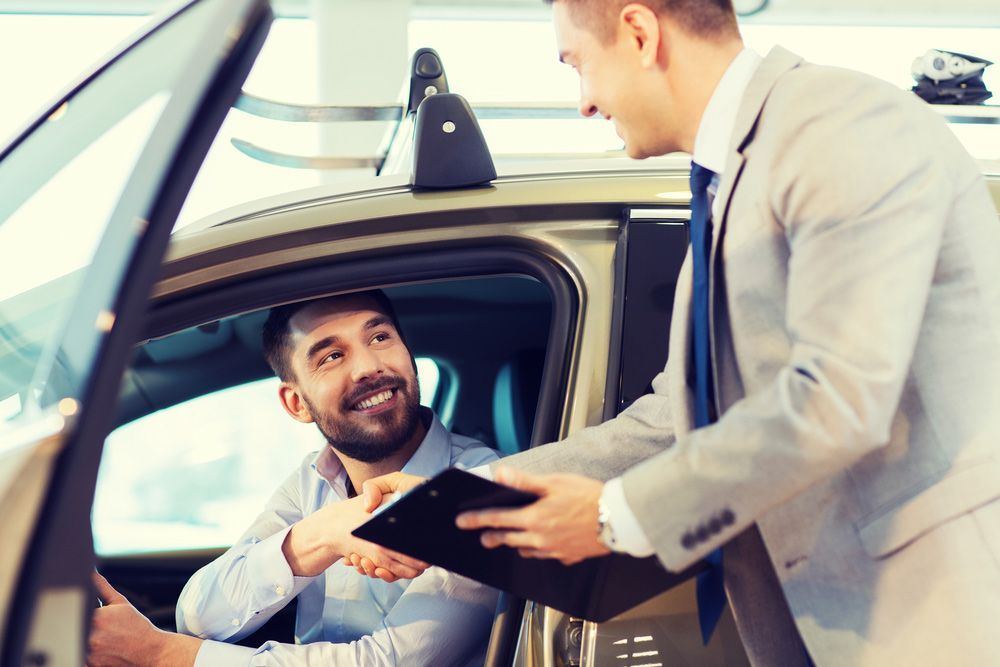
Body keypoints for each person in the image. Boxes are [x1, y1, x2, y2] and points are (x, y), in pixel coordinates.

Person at [359, 1, 1000, 665]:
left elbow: (840, 393)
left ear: (639, 32)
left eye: (579, 66)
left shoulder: (839, 124)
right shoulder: (725, 192)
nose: (585, 103)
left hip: (928, 619)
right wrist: (467, 497)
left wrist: (615, 514)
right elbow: (677, 417)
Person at [86, 291, 499, 666]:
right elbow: (198, 615)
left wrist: (164, 655)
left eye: (379, 338)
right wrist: (318, 536)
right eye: (331, 357)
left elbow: (391, 663)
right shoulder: (315, 479)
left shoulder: (482, 486)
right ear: (297, 403)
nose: (369, 367)